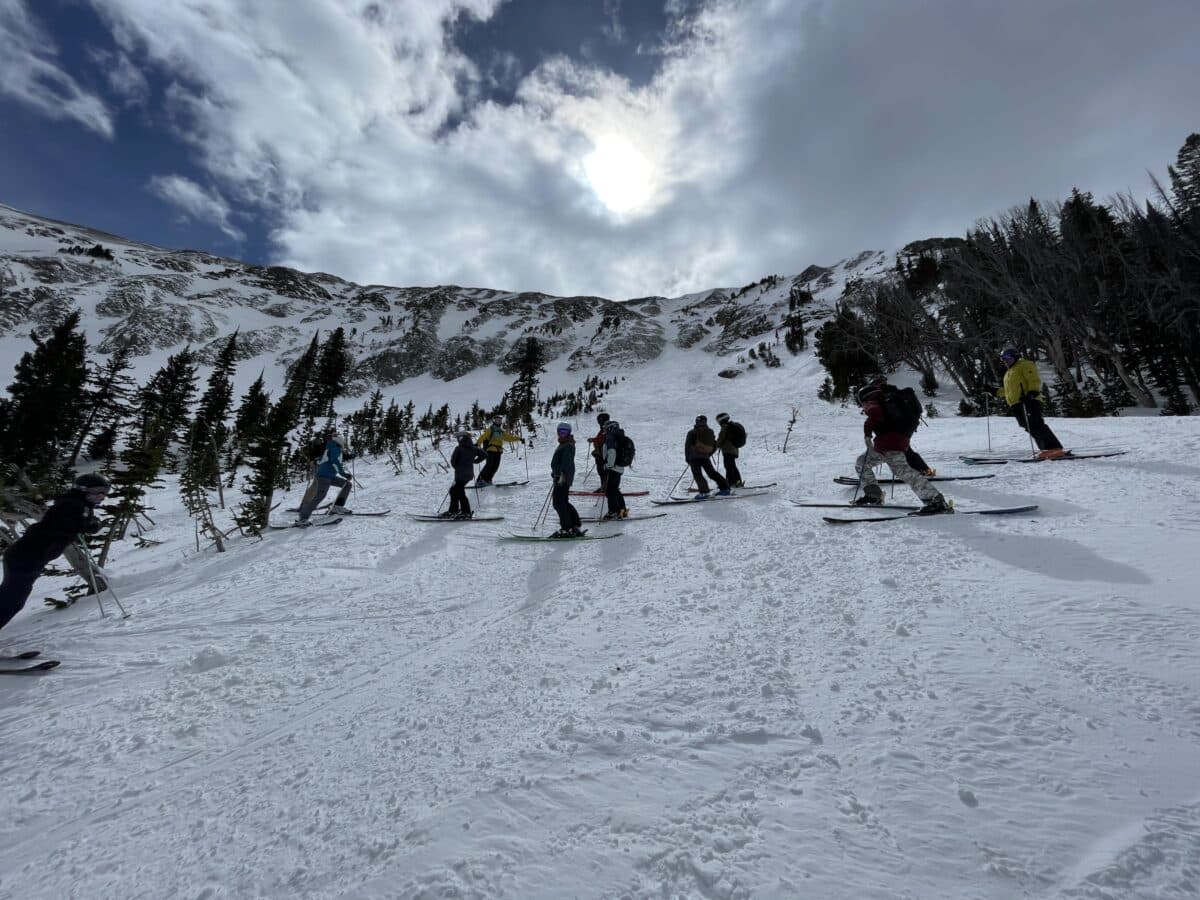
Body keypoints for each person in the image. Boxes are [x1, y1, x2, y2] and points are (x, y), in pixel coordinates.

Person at [1, 473, 107, 633]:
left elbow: (75, 524)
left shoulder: (77, 504)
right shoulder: (71, 505)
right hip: (25, 558)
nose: (102, 496)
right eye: (98, 491)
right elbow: (64, 525)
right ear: (83, 489)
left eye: (104, 492)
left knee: (10, 599)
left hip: (28, 558)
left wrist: (88, 524)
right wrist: (87, 526)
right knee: (11, 601)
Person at [852, 378, 951, 514]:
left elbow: (875, 415)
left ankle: (936, 502)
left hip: (890, 443)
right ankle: (873, 495)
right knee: (862, 462)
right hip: (891, 442)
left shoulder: (872, 401)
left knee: (904, 471)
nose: (862, 406)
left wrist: (867, 434)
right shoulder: (886, 399)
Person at [997, 348, 1065, 459]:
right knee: (1027, 425)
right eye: (1003, 359)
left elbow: (1033, 379)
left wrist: (1032, 392)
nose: (1005, 361)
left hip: (1028, 400)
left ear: (1015, 356)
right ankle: (1046, 449)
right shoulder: (1009, 372)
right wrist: (995, 391)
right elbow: (1009, 390)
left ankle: (1054, 448)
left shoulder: (1024, 365)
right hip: (1016, 403)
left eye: (1008, 358)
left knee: (1035, 424)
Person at [296, 433, 353, 524]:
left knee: (347, 484)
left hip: (329, 476)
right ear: (340, 441)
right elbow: (335, 462)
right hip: (324, 477)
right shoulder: (335, 448)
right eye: (343, 441)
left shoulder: (330, 447)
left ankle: (337, 507)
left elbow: (322, 460)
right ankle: (303, 517)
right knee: (320, 496)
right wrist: (344, 474)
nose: (344, 443)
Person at [549, 422, 584, 537]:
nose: (562, 434)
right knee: (562, 502)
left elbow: (566, 462)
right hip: (561, 476)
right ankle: (574, 524)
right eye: (561, 432)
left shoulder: (567, 445)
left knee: (558, 503)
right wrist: (555, 473)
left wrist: (560, 475)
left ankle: (567, 528)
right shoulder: (565, 444)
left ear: (569, 433)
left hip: (562, 478)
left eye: (565, 432)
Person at [684, 415, 730, 499]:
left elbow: (687, 446)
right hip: (705, 457)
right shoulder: (710, 432)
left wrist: (687, 458)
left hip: (694, 458)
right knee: (712, 473)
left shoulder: (692, 432)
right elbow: (714, 445)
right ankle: (725, 488)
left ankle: (704, 492)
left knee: (698, 475)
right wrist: (708, 454)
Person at [445, 431, 486, 519]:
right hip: (469, 475)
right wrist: (475, 461)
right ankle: (454, 511)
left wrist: (458, 467)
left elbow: (453, 461)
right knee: (454, 491)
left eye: (458, 438)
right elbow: (484, 454)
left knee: (459, 492)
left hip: (460, 475)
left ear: (461, 438)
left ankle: (465, 512)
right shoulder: (473, 448)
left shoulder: (459, 448)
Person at [475, 417, 522, 484]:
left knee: (495, 467)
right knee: (489, 465)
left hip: (498, 451)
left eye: (500, 420)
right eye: (497, 420)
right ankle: (480, 480)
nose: (499, 422)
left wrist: (519, 439)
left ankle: (488, 480)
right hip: (490, 450)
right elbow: (484, 436)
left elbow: (509, 438)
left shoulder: (501, 431)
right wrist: (477, 443)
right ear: (494, 421)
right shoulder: (491, 429)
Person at [601, 419, 630, 520]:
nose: (604, 430)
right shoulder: (619, 436)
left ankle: (613, 511)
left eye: (605, 428)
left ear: (610, 428)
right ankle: (622, 510)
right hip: (619, 467)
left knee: (610, 490)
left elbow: (612, 451)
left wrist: (609, 465)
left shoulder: (611, 437)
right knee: (614, 489)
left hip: (613, 467)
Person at [714, 412, 745, 487]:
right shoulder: (731, 426)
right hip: (734, 449)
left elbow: (721, 438)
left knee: (729, 466)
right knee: (731, 466)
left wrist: (715, 445)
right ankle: (737, 482)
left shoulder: (725, 427)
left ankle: (732, 483)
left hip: (728, 450)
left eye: (718, 420)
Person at [589, 412, 611, 489]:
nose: (599, 423)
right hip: (601, 454)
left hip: (604, 454)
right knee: (601, 471)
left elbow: (601, 440)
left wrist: (593, 440)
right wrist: (593, 439)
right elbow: (599, 438)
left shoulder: (607, 429)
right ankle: (604, 486)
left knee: (603, 471)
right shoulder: (603, 430)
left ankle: (605, 487)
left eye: (600, 421)